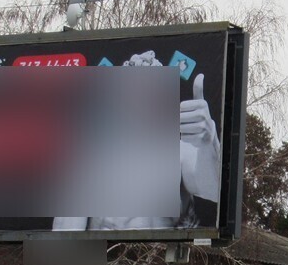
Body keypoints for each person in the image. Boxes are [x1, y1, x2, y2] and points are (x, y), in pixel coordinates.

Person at [53, 50, 220, 231]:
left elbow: (213, 190)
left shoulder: (179, 150)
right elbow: (65, 233)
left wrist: (208, 144)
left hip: (161, 257)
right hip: (103, 258)